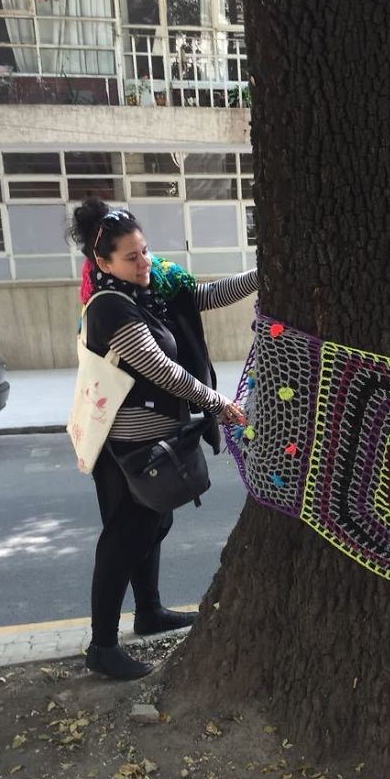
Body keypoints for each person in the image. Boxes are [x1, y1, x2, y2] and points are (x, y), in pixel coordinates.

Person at [70, 198, 252, 681]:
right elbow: (159, 368)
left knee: (154, 526)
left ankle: (149, 612)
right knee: (123, 539)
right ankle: (102, 646)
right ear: (103, 263)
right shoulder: (109, 307)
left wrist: (262, 273)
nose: (144, 262)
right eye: (131, 257)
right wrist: (217, 402)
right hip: (127, 451)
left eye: (145, 250)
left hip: (157, 444)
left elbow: (205, 296)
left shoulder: (150, 289)